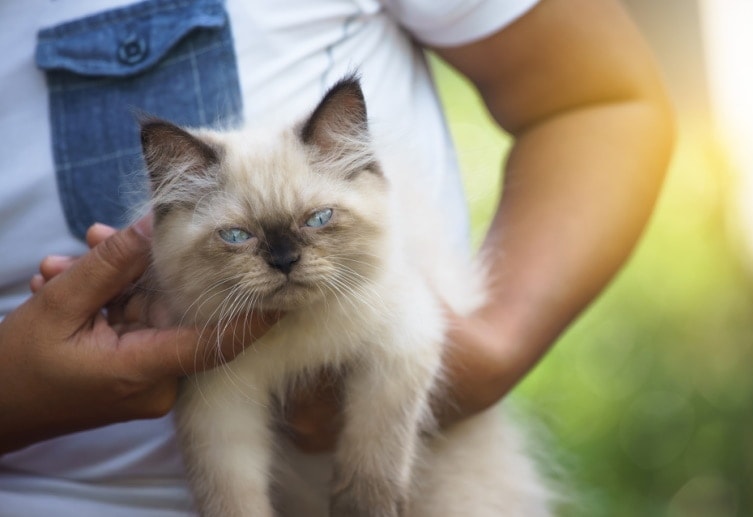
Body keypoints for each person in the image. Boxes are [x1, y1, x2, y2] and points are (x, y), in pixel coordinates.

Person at [0, 0, 674, 514]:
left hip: (442, 472)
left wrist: (491, 353)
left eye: (317, 223)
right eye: (239, 238)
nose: (287, 258)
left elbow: (602, 94)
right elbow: (218, 419)